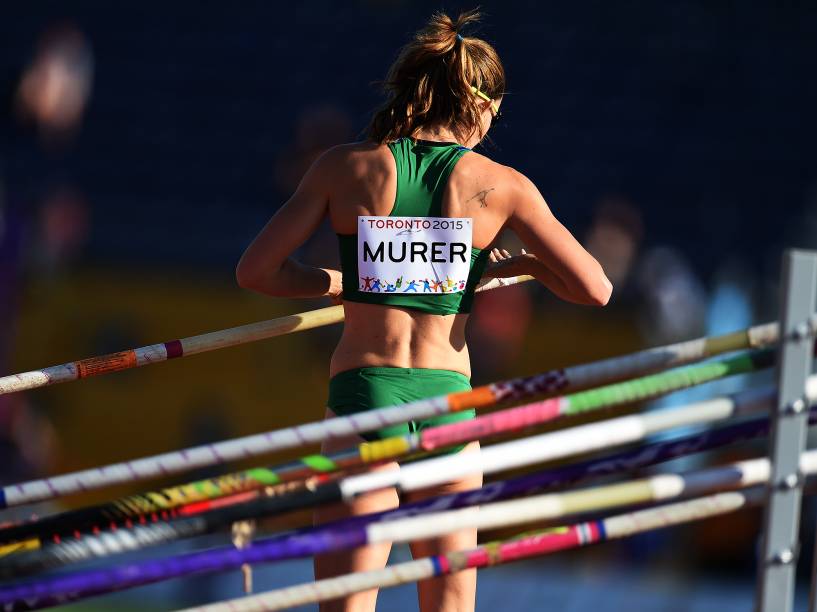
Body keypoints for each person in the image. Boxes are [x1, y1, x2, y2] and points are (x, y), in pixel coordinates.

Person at [236, 9, 612, 612]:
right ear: (480, 106)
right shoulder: (502, 185)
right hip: (450, 405)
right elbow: (595, 289)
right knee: (449, 602)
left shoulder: (346, 166)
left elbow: (256, 272)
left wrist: (335, 281)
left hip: (366, 396)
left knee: (346, 600)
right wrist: (527, 267)